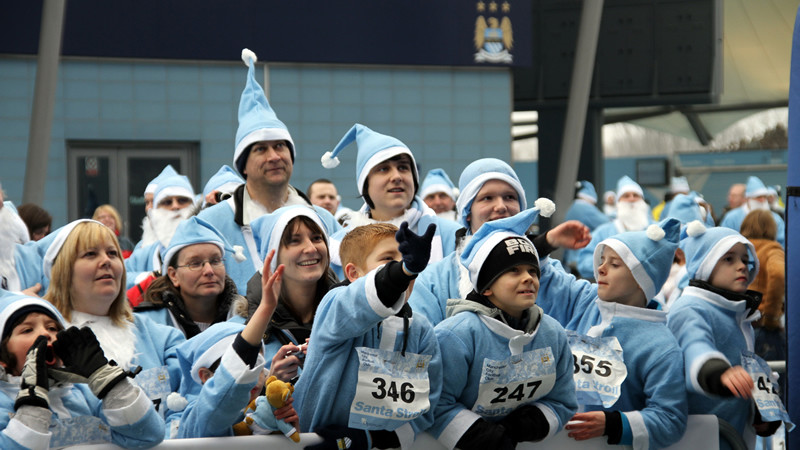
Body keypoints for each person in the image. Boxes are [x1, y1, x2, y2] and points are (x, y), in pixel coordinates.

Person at [429, 206, 577, 450]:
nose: (528, 278)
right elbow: (436, 402)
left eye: (532, 271)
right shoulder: (455, 335)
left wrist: (527, 425)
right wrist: (483, 437)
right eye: (513, 271)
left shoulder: (553, 332)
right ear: (486, 287)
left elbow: (563, 400)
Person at [535, 218, 688, 449]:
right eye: (602, 260)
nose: (601, 269)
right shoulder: (585, 300)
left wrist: (615, 424)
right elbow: (542, 277)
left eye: (615, 264)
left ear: (641, 280)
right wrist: (547, 242)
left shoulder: (660, 346)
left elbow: (671, 419)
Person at [198, 48, 338, 294]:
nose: (274, 156)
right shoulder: (212, 223)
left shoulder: (323, 220)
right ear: (243, 165)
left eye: (280, 146)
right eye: (261, 149)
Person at [294, 221, 442, 450]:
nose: (403, 264)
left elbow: (425, 405)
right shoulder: (335, 305)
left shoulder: (421, 330)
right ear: (354, 273)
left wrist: (375, 439)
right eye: (388, 259)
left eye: (407, 258)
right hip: (316, 441)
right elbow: (359, 302)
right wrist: (404, 271)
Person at [409, 158, 591, 326]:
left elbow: (592, 305)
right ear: (467, 212)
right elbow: (421, 341)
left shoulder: (549, 272)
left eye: (510, 197)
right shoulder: (433, 283)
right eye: (487, 198)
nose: (501, 207)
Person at [42, 220, 186, 414]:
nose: (106, 261)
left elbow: (186, 406)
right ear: (62, 271)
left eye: (112, 253)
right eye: (90, 254)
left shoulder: (161, 338)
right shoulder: (46, 342)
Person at [667, 221, 782, 449]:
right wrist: (717, 372)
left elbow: (748, 374)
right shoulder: (690, 308)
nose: (741, 267)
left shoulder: (735, 313)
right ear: (705, 263)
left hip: (730, 438)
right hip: (697, 440)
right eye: (729, 259)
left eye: (745, 260)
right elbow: (695, 346)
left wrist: (761, 412)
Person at [0, 292, 165, 448]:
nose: (45, 333)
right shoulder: (3, 402)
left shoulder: (85, 393)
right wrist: (32, 402)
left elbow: (148, 436)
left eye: (52, 328)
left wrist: (109, 382)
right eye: (27, 330)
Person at [164, 259, 297, 438]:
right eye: (244, 365)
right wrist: (266, 309)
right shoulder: (195, 418)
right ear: (205, 376)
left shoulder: (268, 409)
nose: (252, 378)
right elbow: (222, 400)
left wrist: (287, 431)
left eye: (257, 367)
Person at [320, 123, 461, 277]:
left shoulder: (453, 236)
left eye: (403, 167)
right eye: (383, 169)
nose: (396, 177)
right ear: (364, 184)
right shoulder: (338, 247)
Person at [242, 205, 339, 383]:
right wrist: (270, 386)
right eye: (295, 241)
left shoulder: (348, 318)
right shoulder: (244, 331)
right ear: (273, 256)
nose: (311, 248)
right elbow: (231, 398)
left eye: (317, 238)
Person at [135, 216, 248, 336]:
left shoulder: (247, 318)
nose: (209, 270)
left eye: (215, 261)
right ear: (173, 275)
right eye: (195, 263)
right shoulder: (148, 325)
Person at [126, 173, 196, 289]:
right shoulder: (145, 254)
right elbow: (118, 276)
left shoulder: (210, 244)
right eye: (167, 202)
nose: (175, 206)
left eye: (182, 200)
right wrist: (150, 277)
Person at [577, 176, 653, 279]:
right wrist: (611, 264)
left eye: (636, 195)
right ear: (618, 202)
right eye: (626, 196)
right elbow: (584, 263)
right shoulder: (603, 232)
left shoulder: (656, 230)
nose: (631, 199)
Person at [739, 210, 785, 367]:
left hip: (739, 325)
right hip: (762, 327)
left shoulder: (739, 249)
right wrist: (771, 317)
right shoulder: (772, 250)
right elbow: (779, 274)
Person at [721, 176, 785, 247]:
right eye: (758, 197)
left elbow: (782, 243)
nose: (762, 200)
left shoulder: (775, 219)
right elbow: (725, 242)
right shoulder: (732, 218)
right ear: (748, 198)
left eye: (764, 197)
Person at [562, 180, 609, 272]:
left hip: (571, 255)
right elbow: (606, 223)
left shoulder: (573, 207)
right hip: (581, 255)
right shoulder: (585, 208)